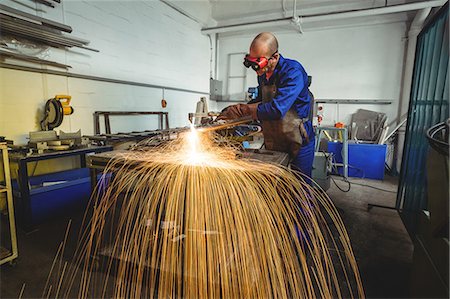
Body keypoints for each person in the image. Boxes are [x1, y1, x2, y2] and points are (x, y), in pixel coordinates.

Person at [218, 32, 315, 181]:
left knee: (301, 187)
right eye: (251, 63)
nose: (256, 69)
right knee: (273, 182)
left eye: (259, 63)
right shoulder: (263, 73)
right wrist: (238, 112)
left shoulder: (293, 72)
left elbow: (277, 109)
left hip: (299, 138)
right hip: (275, 137)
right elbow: (262, 100)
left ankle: (304, 205)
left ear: (274, 57)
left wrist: (242, 110)